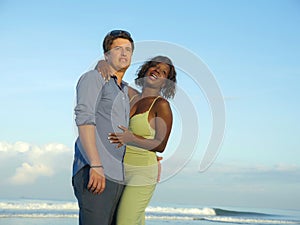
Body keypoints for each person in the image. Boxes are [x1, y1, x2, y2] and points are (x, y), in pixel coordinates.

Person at [72, 30, 134, 225]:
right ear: (106, 54)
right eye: (117, 49)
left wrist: (152, 151)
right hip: (95, 170)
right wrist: (96, 165)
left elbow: (150, 101)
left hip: (119, 176)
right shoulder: (93, 78)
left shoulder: (124, 90)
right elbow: (84, 119)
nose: (124, 53)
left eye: (128, 50)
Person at [106, 55, 177, 225]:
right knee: (133, 221)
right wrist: (103, 63)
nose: (157, 71)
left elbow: (161, 144)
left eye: (164, 72)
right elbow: (111, 74)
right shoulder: (130, 95)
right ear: (145, 70)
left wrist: (132, 138)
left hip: (143, 173)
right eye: (154, 67)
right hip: (120, 169)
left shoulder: (161, 105)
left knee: (124, 221)